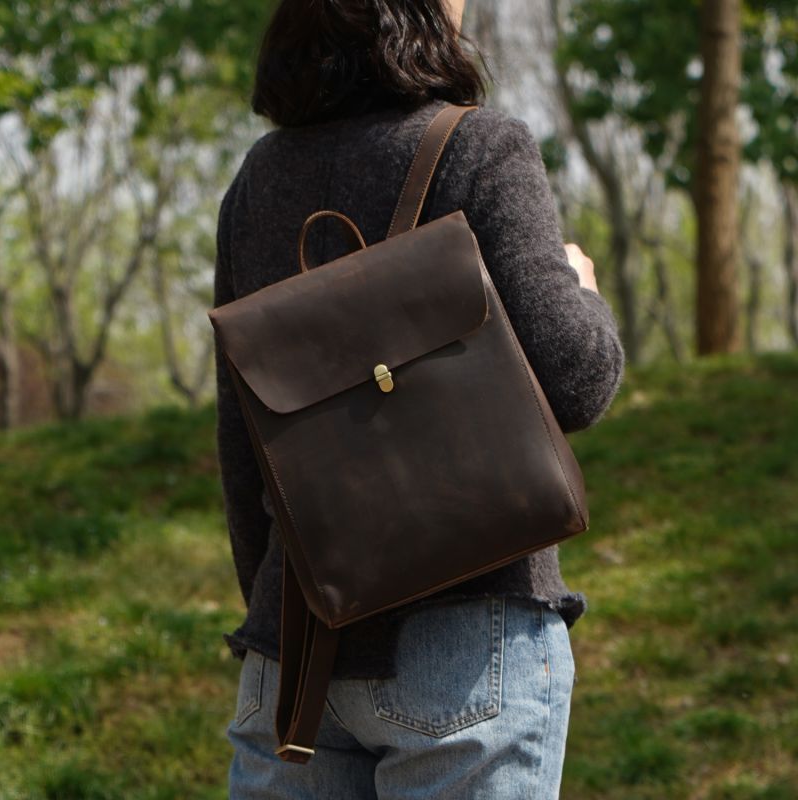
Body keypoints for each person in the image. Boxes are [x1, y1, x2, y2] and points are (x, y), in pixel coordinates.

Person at [213, 1, 625, 797]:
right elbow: (578, 378)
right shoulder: (481, 146)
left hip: (294, 652)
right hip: (466, 644)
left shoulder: (258, 179)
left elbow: (245, 446)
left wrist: (279, 607)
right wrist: (582, 288)